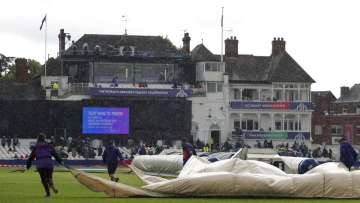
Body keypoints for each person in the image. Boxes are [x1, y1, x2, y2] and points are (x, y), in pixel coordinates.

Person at [26, 133, 63, 197]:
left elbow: (31, 157)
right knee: (49, 176)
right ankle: (51, 184)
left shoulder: (36, 147)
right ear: (44, 139)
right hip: (49, 163)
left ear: (38, 139)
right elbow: (55, 154)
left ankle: (48, 193)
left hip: (41, 163)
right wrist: (60, 161)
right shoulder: (49, 145)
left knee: (43, 179)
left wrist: (28, 165)